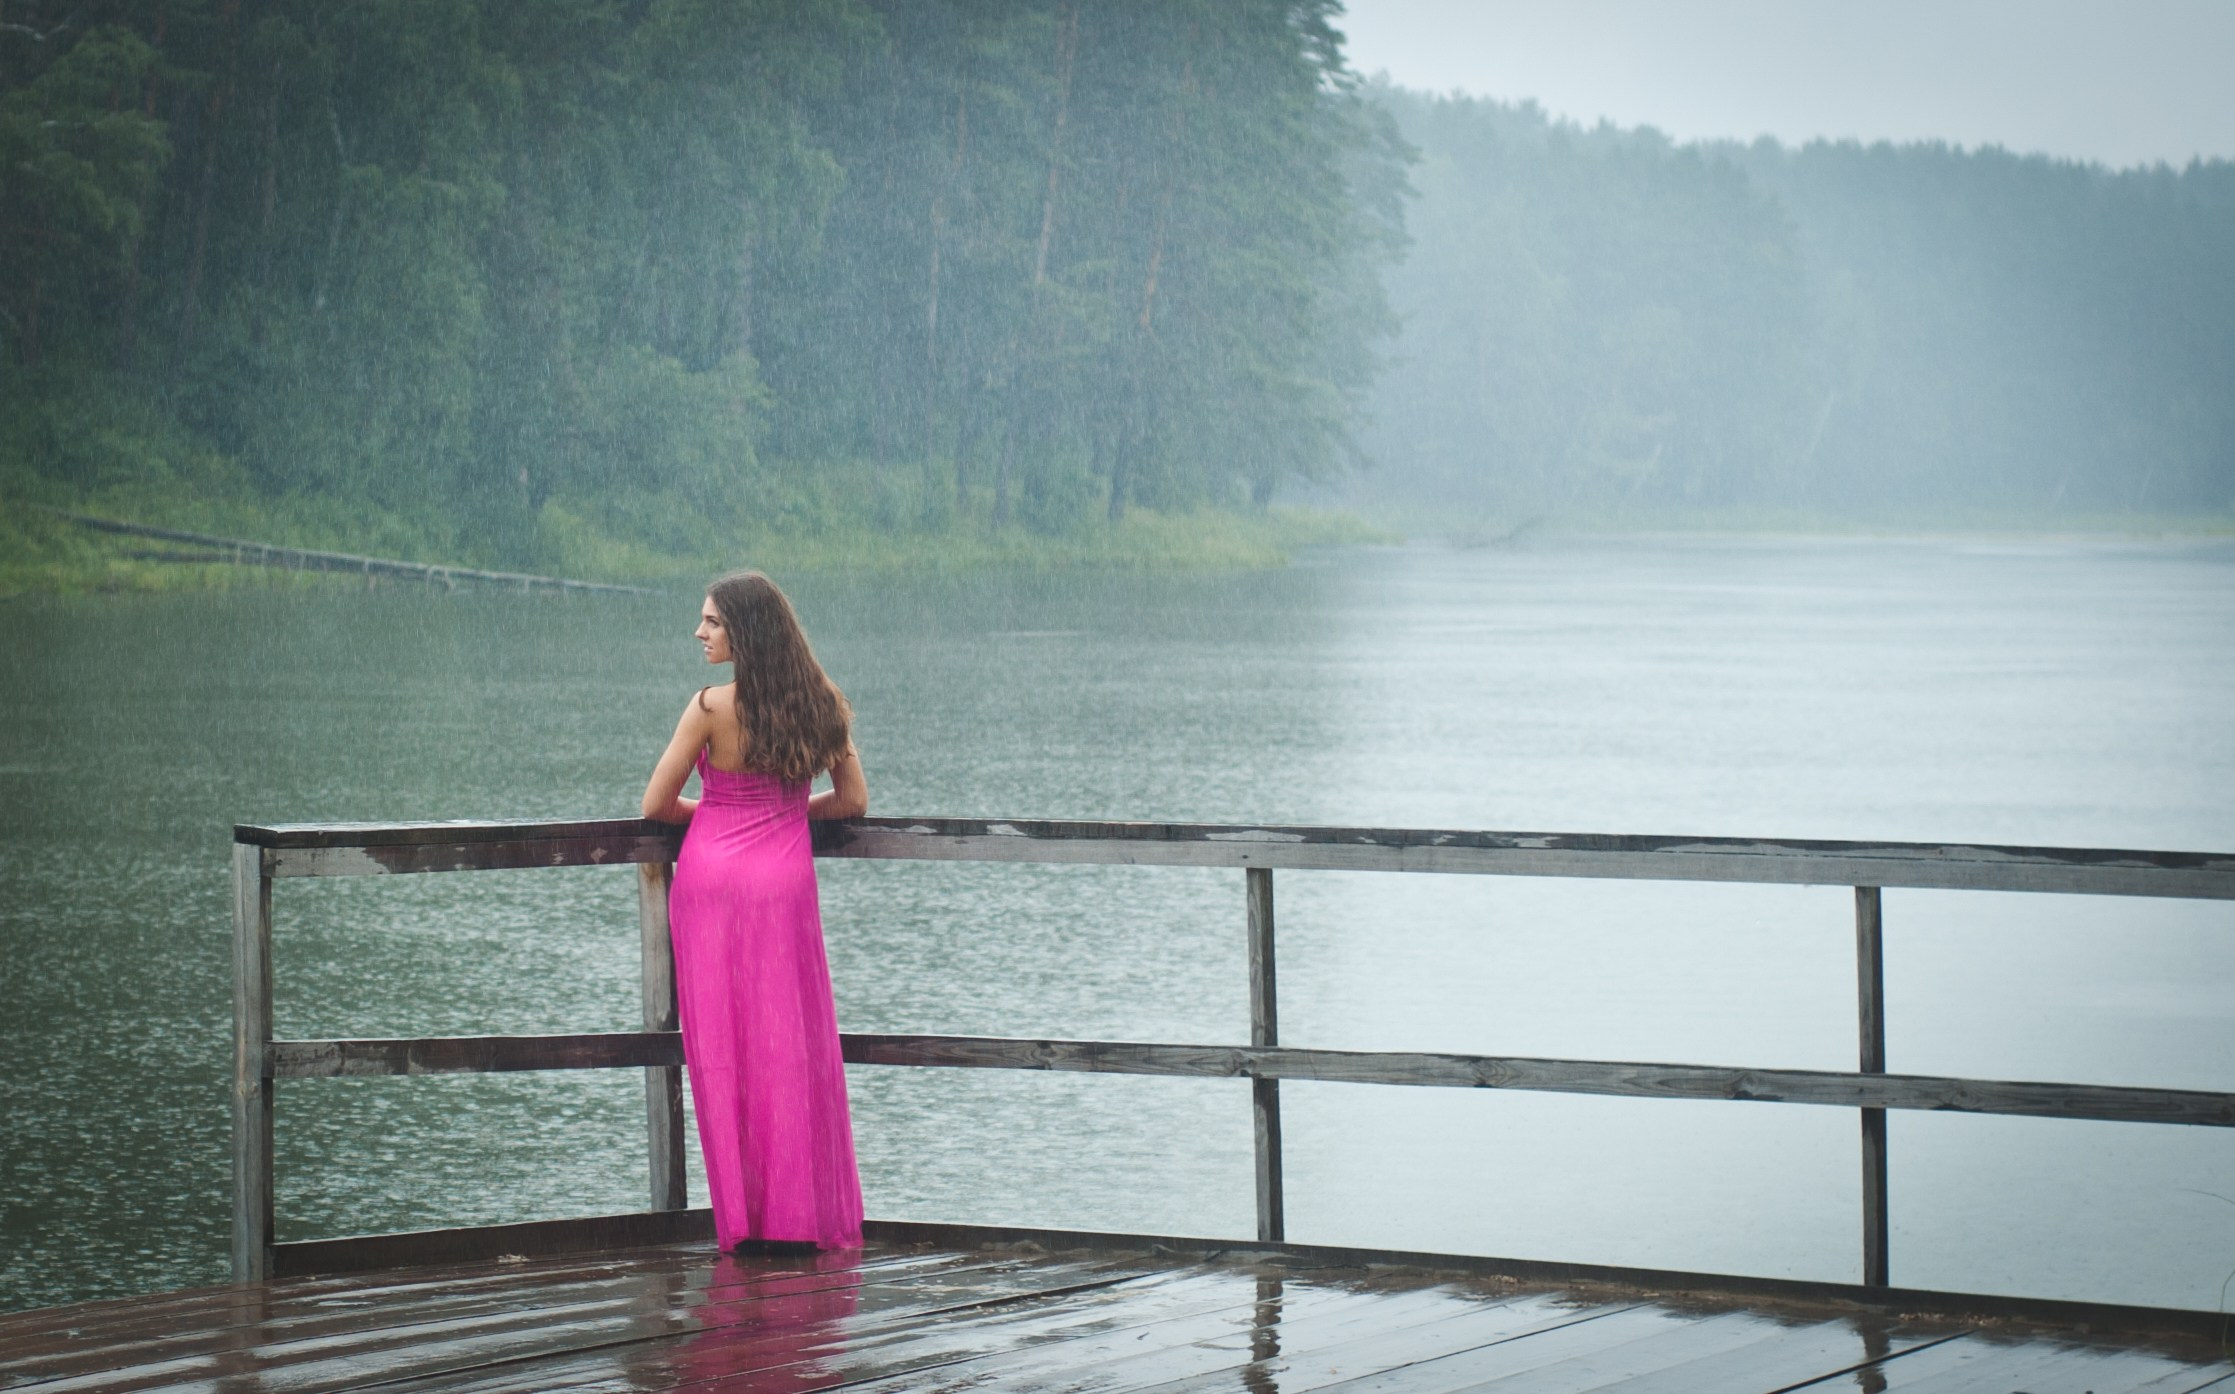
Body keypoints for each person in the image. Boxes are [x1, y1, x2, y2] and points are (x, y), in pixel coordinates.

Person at [641, 570, 867, 1251]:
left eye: (711, 621)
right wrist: (784, 813)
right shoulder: (820, 701)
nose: (699, 632)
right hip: (782, 888)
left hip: (708, 886)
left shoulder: (710, 707)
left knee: (723, 1053)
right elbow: (852, 801)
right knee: (788, 1048)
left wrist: (719, 818)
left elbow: (655, 807)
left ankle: (741, 1224)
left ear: (744, 630)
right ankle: (796, 1219)